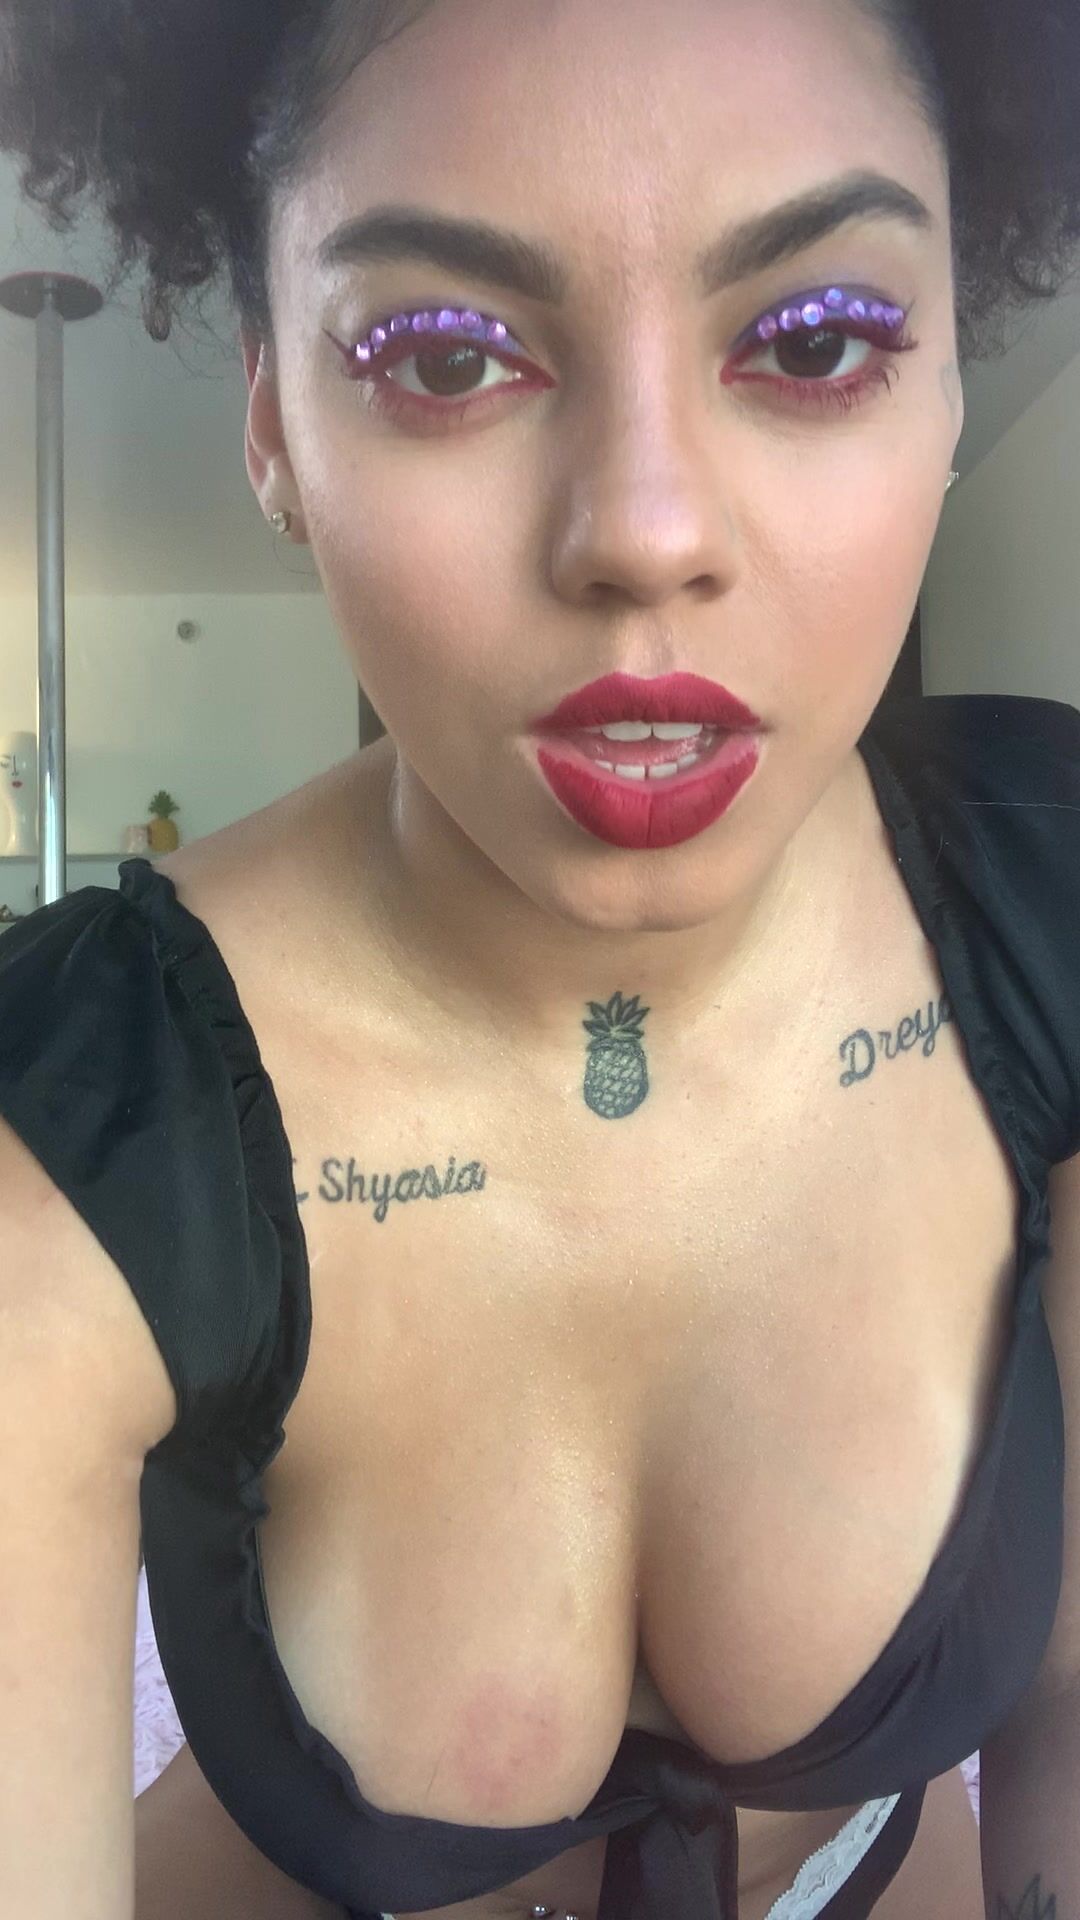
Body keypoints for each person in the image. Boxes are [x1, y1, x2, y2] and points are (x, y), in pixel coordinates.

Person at [2, 1, 1080, 1915]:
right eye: (444, 357)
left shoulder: (1053, 891)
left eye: (814, 342)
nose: (645, 533)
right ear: (272, 422)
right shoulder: (72, 1128)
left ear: (947, 388)